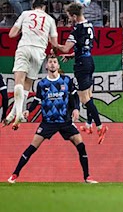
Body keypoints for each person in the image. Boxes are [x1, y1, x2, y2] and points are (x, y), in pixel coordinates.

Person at [7, 55, 97, 184]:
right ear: (46, 66)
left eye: (55, 62)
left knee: (81, 145)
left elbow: (74, 97)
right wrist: (28, 110)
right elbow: (37, 101)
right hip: (48, 122)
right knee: (32, 147)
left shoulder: (66, 80)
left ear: (58, 65)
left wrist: (76, 108)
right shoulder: (42, 84)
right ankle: (14, 175)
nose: (53, 64)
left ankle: (87, 177)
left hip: (65, 121)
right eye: (50, 62)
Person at [55, 3, 108, 144]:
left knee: (84, 99)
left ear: (74, 16)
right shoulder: (89, 25)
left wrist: (53, 43)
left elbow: (65, 48)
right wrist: (73, 55)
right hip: (89, 61)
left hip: (81, 65)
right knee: (89, 95)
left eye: (69, 17)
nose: (69, 20)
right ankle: (88, 125)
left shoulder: (76, 30)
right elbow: (84, 47)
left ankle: (100, 126)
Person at [3, 0, 58, 130]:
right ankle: (14, 114)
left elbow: (11, 34)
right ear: (44, 8)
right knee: (27, 85)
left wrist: (23, 29)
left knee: (19, 81)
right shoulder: (50, 19)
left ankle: (18, 113)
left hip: (25, 47)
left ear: (33, 7)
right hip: (39, 51)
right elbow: (55, 44)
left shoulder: (25, 14)